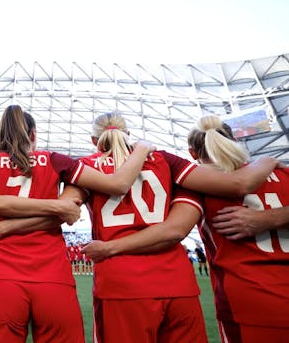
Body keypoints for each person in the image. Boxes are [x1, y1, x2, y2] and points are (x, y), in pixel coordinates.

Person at [0, 105, 157, 343]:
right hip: (52, 275)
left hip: (2, 277)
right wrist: (142, 147)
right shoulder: (55, 160)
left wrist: (6, 227)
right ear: (33, 135)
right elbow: (115, 185)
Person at [76, 111, 279, 343]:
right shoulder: (165, 160)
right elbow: (233, 186)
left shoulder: (85, 167)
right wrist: (268, 161)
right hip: (178, 282)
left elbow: (68, 206)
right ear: (128, 134)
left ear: (94, 141)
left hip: (121, 283)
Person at [187, 115, 289, 342]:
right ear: (233, 140)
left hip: (248, 301)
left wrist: (265, 219)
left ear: (193, 153)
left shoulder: (198, 186)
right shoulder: (283, 173)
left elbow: (173, 231)